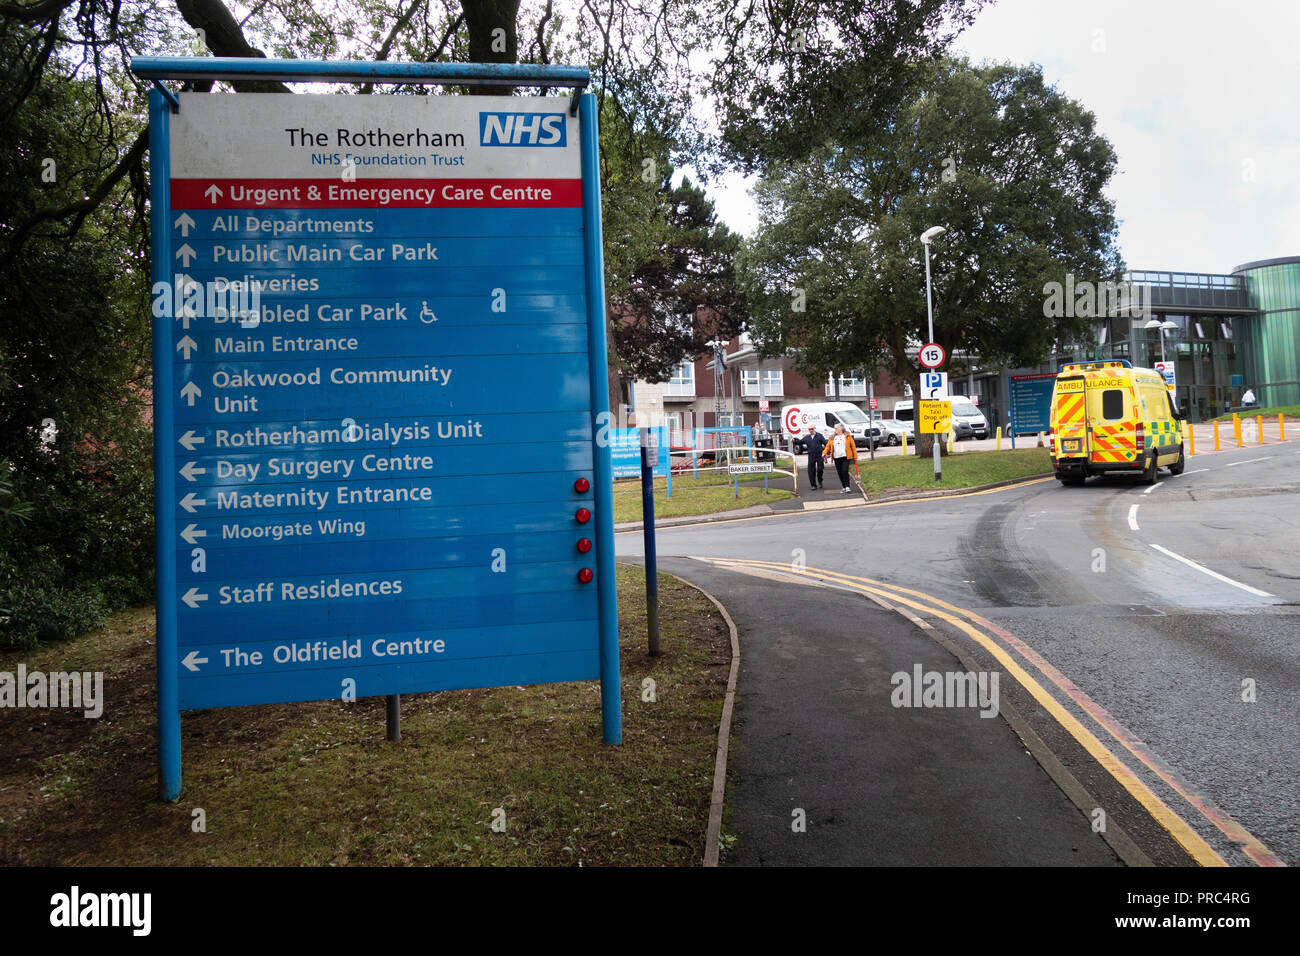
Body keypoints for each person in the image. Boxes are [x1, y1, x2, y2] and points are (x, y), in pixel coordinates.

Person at [824, 423, 858, 494]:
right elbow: (828, 447)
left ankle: (848, 486)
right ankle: (844, 487)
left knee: (844, 471)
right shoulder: (832, 437)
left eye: (836, 428)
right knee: (840, 472)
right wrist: (824, 452)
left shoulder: (847, 436)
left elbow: (853, 447)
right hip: (836, 457)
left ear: (840, 429)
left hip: (845, 457)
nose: (835, 430)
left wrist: (855, 457)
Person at [804, 424, 828, 490]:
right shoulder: (807, 437)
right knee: (811, 471)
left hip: (819, 455)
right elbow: (800, 441)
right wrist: (794, 440)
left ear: (815, 428)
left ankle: (820, 480)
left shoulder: (819, 436)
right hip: (811, 456)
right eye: (809, 429)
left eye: (812, 429)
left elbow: (825, 443)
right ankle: (813, 485)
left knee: (820, 469)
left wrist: (826, 452)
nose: (811, 430)